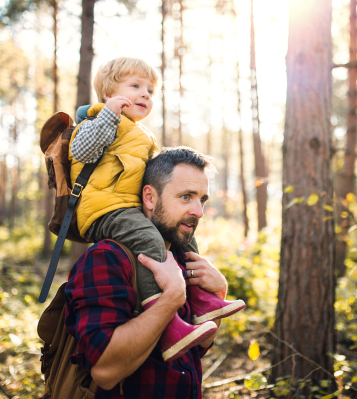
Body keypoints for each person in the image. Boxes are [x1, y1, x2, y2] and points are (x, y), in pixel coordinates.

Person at [68, 57, 245, 361]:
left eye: (150, 90)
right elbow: (81, 151)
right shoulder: (99, 120)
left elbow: (158, 175)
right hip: (103, 209)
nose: (146, 94)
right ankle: (164, 315)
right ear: (109, 91)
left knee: (184, 236)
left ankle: (201, 302)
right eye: (135, 86)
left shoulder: (142, 135)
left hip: (129, 208)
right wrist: (109, 114)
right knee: (150, 241)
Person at [65, 147, 232, 398]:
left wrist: (216, 294)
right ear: (150, 198)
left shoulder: (180, 257)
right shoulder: (107, 258)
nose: (198, 211)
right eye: (186, 197)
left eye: (202, 199)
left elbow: (196, 349)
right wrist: (170, 299)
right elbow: (105, 371)